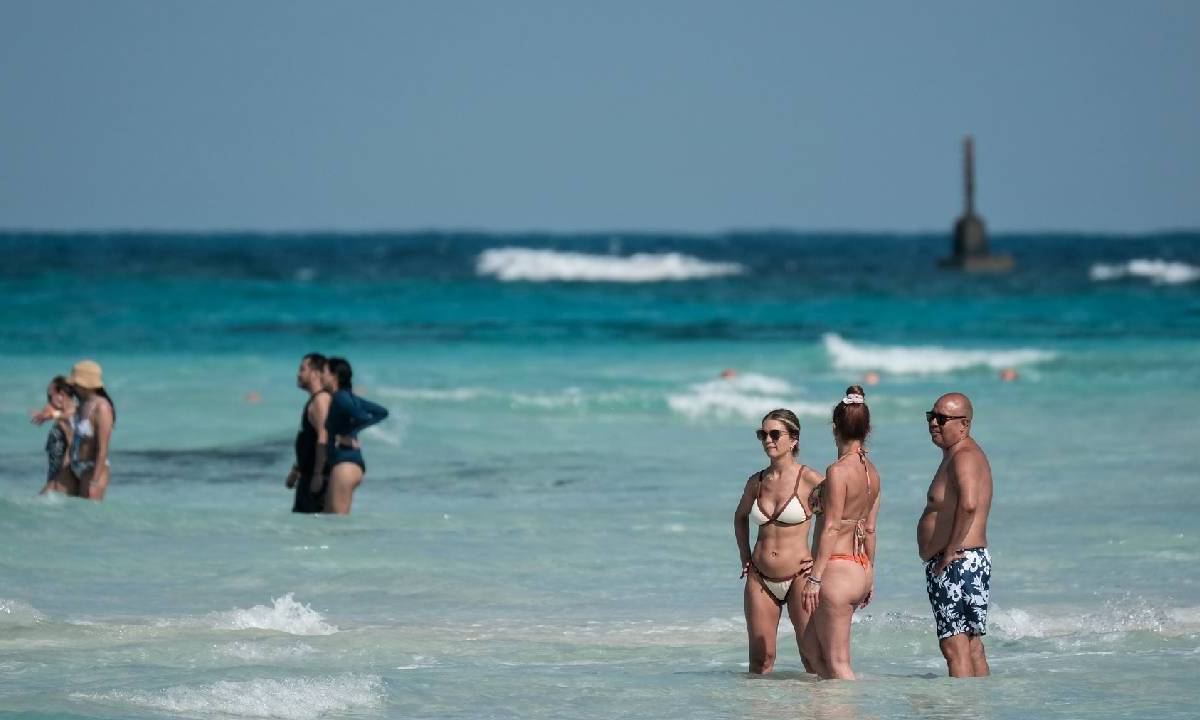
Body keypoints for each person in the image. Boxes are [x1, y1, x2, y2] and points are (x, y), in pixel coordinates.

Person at [733, 408, 825, 674]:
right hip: (760, 578)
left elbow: (835, 523)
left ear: (794, 439)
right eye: (763, 434)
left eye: (775, 434)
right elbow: (739, 518)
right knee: (761, 660)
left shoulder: (810, 480)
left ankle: (817, 712)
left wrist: (819, 562)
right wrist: (745, 556)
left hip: (799, 577)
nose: (768, 440)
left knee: (812, 658)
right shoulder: (757, 482)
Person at [800, 385, 882, 680]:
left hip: (835, 569)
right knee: (812, 649)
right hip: (859, 568)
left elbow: (832, 525)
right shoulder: (872, 472)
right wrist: (870, 575)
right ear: (866, 428)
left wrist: (815, 577)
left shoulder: (838, 471)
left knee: (837, 663)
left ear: (835, 428)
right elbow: (870, 528)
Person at [918, 392, 993, 678]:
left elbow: (970, 503)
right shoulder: (961, 454)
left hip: (958, 562)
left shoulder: (963, 456)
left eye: (942, 419)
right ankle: (975, 707)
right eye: (931, 416)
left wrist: (950, 549)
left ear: (964, 424)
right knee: (971, 645)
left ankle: (960, 709)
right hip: (969, 561)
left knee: (955, 646)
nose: (934, 423)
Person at [320, 357, 388, 515]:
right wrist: (354, 431)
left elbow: (362, 416)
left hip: (345, 465)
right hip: (349, 463)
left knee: (336, 525)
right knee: (331, 522)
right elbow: (381, 412)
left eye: (323, 372)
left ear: (334, 377)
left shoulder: (340, 397)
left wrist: (345, 435)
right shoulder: (350, 397)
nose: (320, 377)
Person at [286, 353, 331, 513]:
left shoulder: (321, 400)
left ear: (315, 374)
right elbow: (308, 441)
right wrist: (296, 470)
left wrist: (318, 474)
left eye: (302, 369)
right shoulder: (314, 400)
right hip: (307, 477)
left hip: (316, 479)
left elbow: (323, 436)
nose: (298, 374)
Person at [65, 360, 116, 501]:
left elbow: (103, 448)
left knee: (88, 516)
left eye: (75, 383)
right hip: (75, 466)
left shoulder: (102, 408)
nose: (73, 386)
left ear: (84, 384)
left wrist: (94, 481)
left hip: (93, 469)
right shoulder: (83, 403)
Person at [31, 376, 78, 495]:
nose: (49, 401)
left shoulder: (71, 414)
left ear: (61, 394)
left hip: (63, 465)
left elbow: (71, 440)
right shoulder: (67, 412)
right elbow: (50, 410)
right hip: (62, 465)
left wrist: (52, 415)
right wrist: (49, 414)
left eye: (50, 396)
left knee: (51, 491)